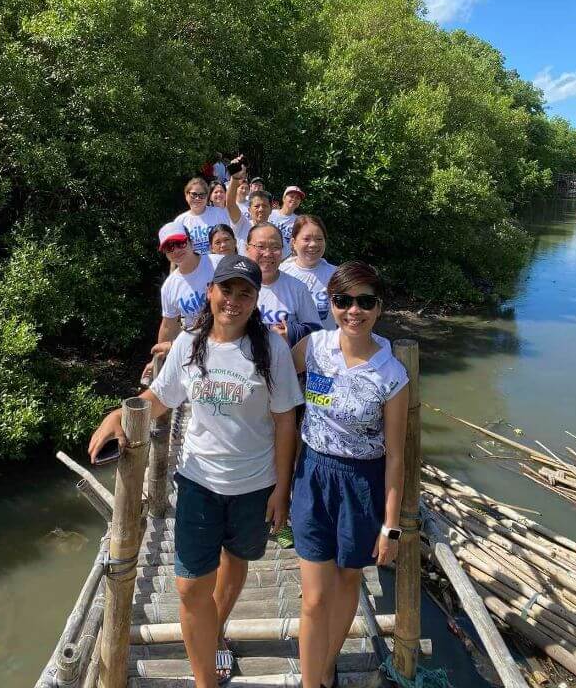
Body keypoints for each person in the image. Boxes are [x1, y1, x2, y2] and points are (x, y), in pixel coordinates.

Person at [89, 254, 303, 688]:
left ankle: (216, 627)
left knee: (237, 558)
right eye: (227, 290)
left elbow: (285, 420)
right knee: (189, 588)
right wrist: (120, 413)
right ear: (211, 291)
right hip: (199, 481)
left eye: (246, 293)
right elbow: (159, 399)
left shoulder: (271, 348)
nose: (234, 301)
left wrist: (283, 490)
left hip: (254, 485)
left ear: (256, 299)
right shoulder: (190, 343)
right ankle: (206, 679)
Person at [290, 261, 410, 688]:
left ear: (379, 308)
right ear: (331, 303)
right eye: (343, 301)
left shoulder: (391, 374)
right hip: (312, 475)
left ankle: (325, 670)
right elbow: (274, 382)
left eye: (364, 302)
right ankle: (310, 682)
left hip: (361, 483)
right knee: (315, 598)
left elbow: (395, 456)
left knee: (346, 585)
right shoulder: (313, 347)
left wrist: (390, 528)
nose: (353, 310)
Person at [141, 223, 219, 381]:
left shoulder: (218, 264)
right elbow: (168, 325)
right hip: (197, 349)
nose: (176, 250)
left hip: (227, 341)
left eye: (180, 243)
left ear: (191, 242)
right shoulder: (169, 287)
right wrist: (156, 359)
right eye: (169, 247)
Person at [246, 223, 321, 347]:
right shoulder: (237, 286)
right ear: (247, 248)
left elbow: (316, 331)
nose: (268, 253)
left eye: (275, 247)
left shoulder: (298, 288)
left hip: (285, 363)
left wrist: (290, 333)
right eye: (260, 246)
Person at [280, 215, 337, 330]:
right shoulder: (281, 272)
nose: (313, 244)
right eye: (306, 239)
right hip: (290, 345)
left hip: (325, 345)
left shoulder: (336, 274)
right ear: (293, 242)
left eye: (319, 239)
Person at [175, 176, 229, 255]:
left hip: (218, 264)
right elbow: (176, 250)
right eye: (193, 194)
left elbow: (228, 242)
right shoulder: (180, 221)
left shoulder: (219, 213)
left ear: (207, 196)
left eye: (202, 195)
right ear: (186, 196)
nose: (197, 198)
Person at [269, 186, 305, 259]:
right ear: (284, 198)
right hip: (266, 255)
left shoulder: (299, 221)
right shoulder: (270, 214)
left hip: (285, 261)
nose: (294, 199)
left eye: (297, 198)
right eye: (291, 196)